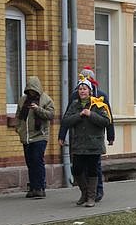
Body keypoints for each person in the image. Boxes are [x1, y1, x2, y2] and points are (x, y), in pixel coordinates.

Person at [58, 67, 115, 202]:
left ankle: (95, 193)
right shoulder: (75, 97)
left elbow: (108, 118)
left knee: (94, 167)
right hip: (80, 140)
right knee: (78, 168)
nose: (82, 88)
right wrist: (62, 135)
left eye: (87, 82)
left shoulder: (100, 97)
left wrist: (110, 135)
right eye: (81, 83)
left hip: (94, 141)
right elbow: (66, 118)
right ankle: (86, 193)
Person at [15, 76, 55, 199]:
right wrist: (19, 129)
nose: (31, 92)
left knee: (38, 161)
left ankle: (40, 188)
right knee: (30, 162)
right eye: (29, 90)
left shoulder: (46, 100)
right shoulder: (23, 100)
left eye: (33, 90)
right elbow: (18, 116)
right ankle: (33, 187)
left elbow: (50, 115)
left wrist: (38, 109)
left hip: (40, 136)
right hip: (26, 137)